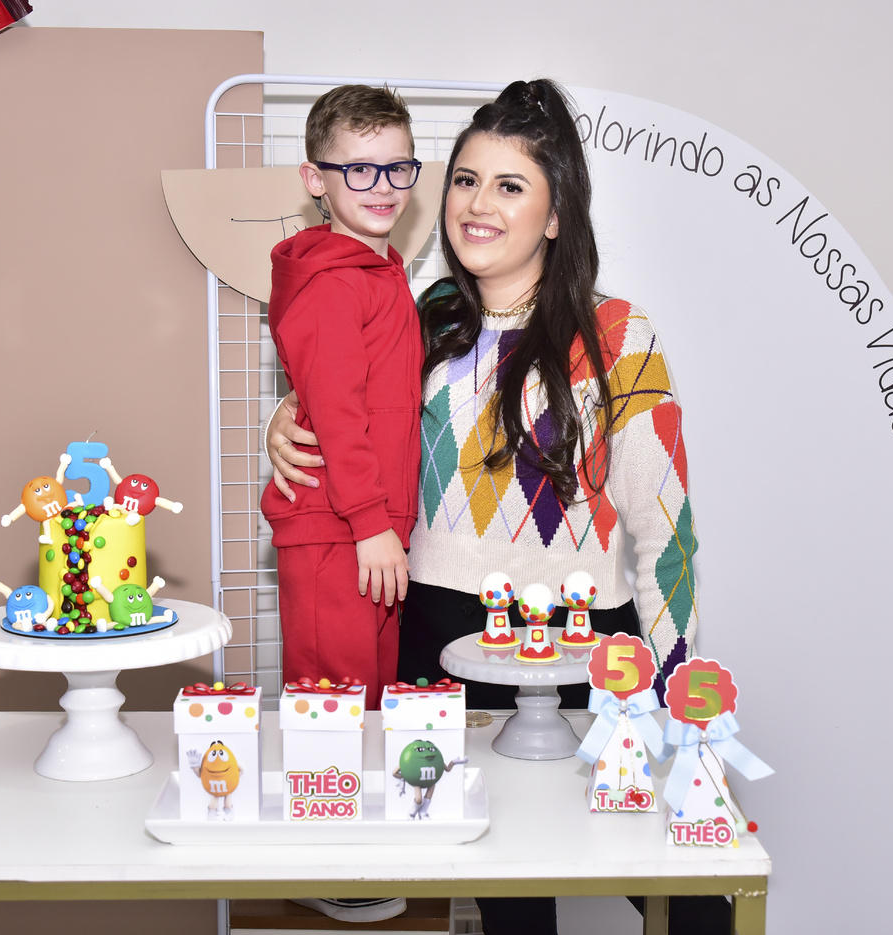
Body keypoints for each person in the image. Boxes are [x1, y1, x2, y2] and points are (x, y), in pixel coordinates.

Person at [269, 79, 726, 935]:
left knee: (686, 890)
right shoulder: (425, 316)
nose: (477, 205)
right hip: (436, 639)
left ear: (556, 215)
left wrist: (672, 692)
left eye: (510, 186)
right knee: (508, 895)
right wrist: (284, 421)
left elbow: (666, 531)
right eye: (466, 180)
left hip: (585, 645)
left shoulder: (621, 334)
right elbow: (344, 407)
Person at [264, 83, 422, 927]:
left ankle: (352, 846)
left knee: (365, 701)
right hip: (338, 531)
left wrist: (383, 524)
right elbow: (337, 409)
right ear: (314, 178)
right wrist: (369, 523)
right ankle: (320, 861)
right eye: (359, 168)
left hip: (365, 528)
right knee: (333, 700)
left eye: (397, 166)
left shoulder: (379, 271)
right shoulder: (333, 282)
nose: (382, 185)